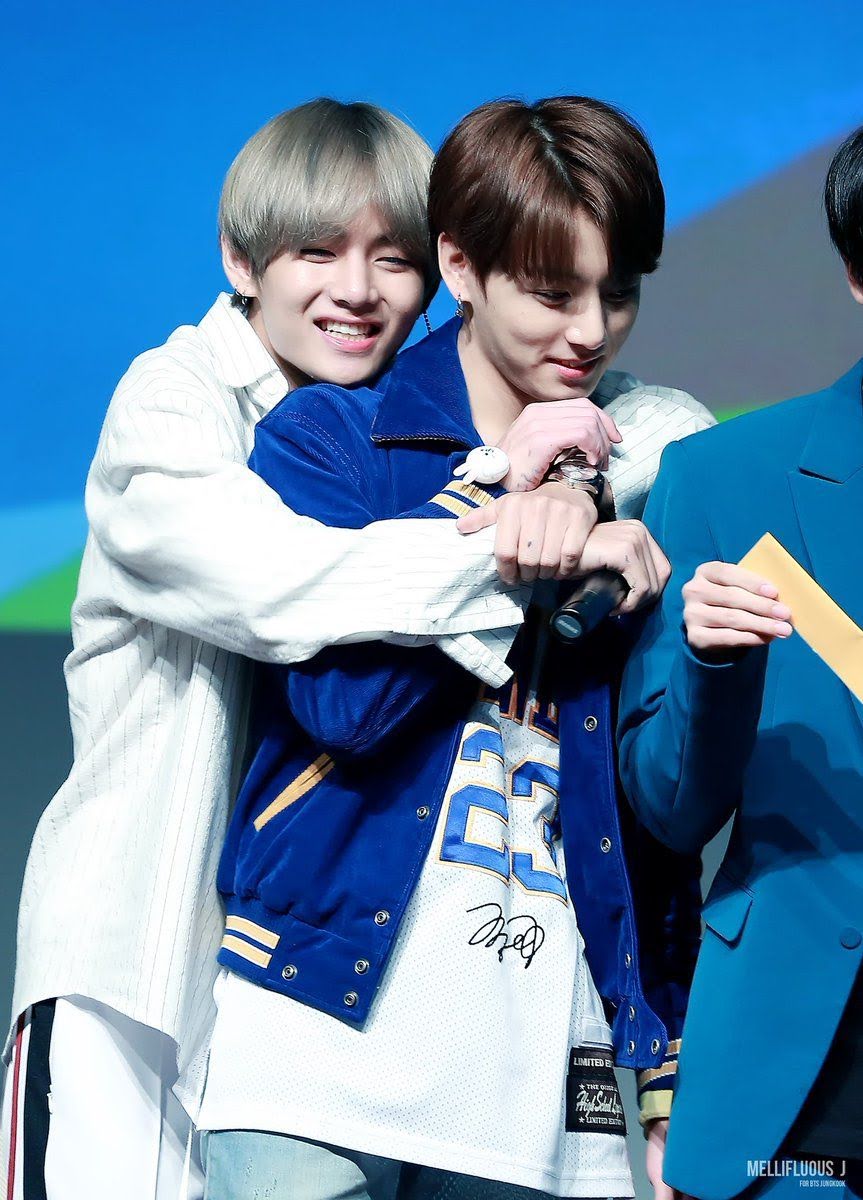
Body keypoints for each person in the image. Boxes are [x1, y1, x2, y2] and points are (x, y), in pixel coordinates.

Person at [1, 98, 621, 1200]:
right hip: (130, 958)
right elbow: (280, 586)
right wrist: (516, 521)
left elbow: (653, 420)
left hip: (277, 972)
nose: (359, 289)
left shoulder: (385, 423)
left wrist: (577, 478)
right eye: (315, 252)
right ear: (240, 260)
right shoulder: (175, 401)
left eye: (393, 258)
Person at [196, 95, 714, 1200]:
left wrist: (669, 1061)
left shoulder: (649, 464)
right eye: (551, 293)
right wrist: (498, 508)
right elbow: (344, 713)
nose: (589, 331)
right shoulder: (331, 438)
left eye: (619, 292)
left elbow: (651, 810)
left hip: (542, 1066)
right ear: (459, 266)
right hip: (316, 1038)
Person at [618, 125, 863, 1200]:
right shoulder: (726, 478)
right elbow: (667, 811)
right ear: (855, 271)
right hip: (799, 1101)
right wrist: (712, 668)